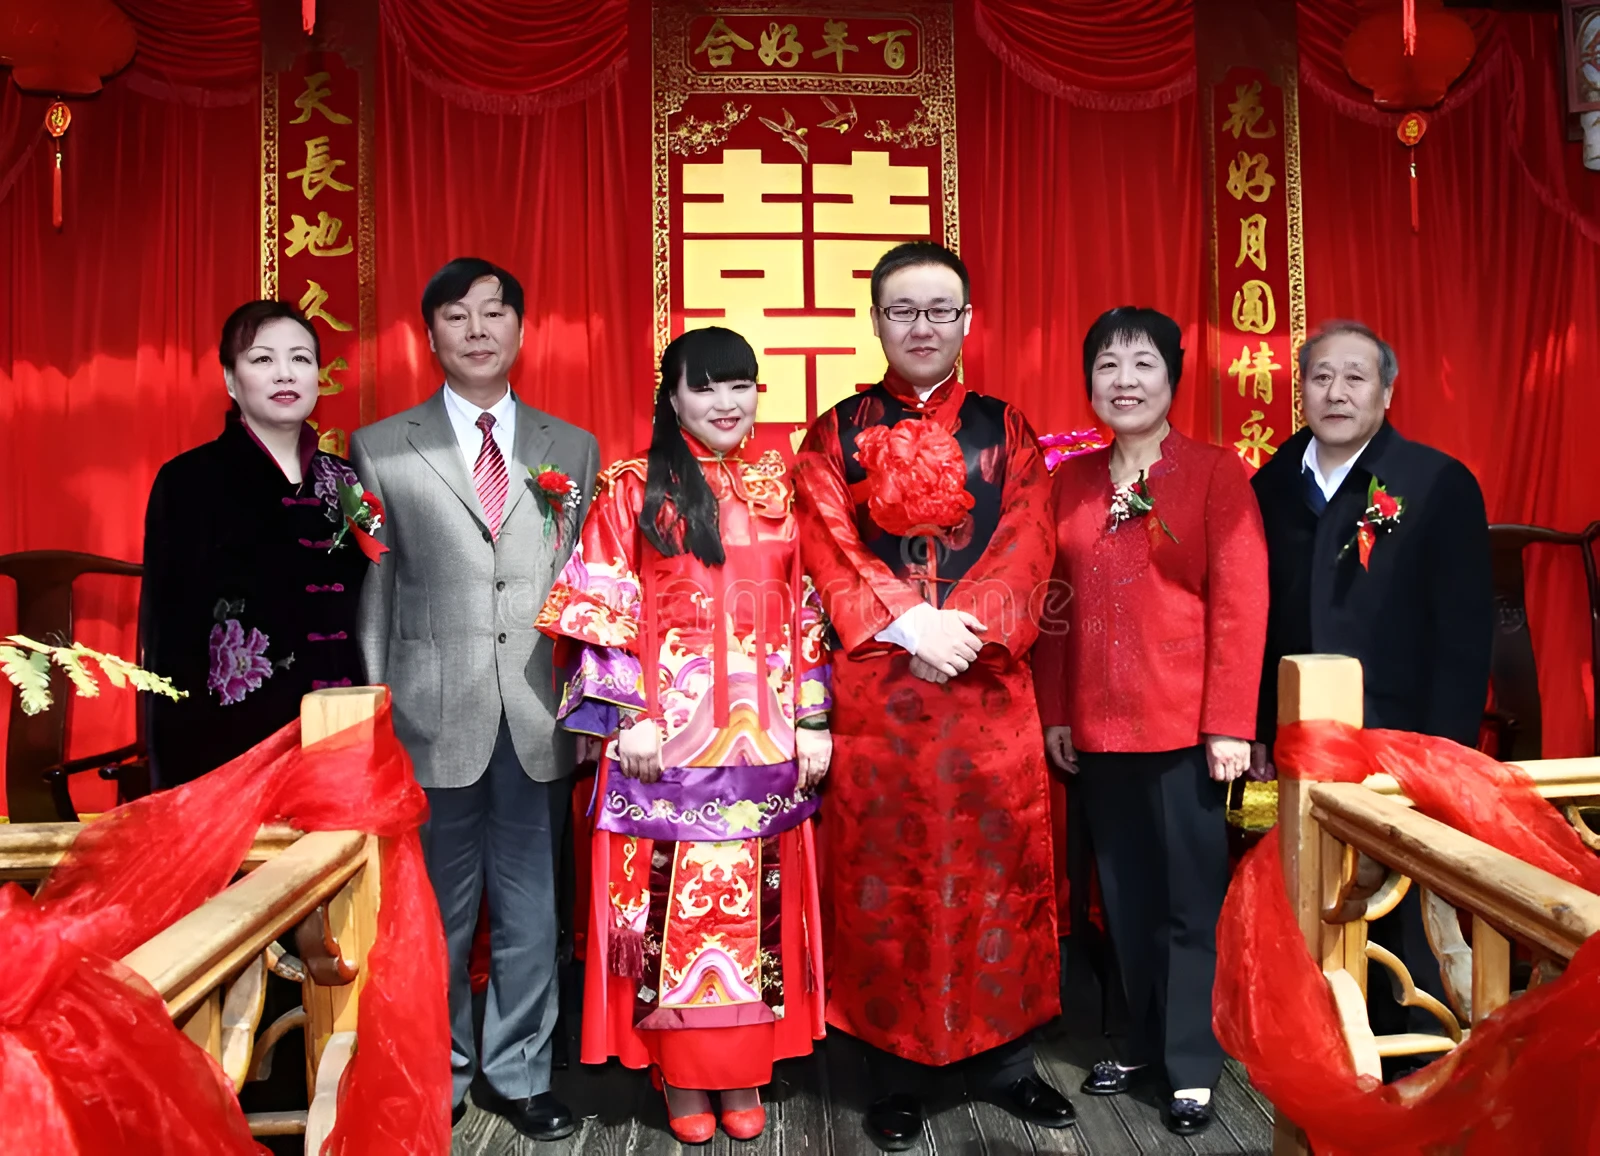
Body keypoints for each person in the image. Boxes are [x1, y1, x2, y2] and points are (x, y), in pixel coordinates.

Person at [793, 241, 1071, 1150]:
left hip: (986, 692)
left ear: (965, 322)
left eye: (939, 310)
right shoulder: (833, 431)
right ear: (875, 320)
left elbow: (1031, 534)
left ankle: (1008, 1065)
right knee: (887, 881)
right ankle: (894, 1071)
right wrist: (911, 624)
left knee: (1001, 875)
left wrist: (967, 629)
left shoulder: (1008, 428)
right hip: (883, 693)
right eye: (903, 310)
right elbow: (823, 536)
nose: (922, 326)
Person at [537, 326, 830, 1144]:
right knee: (674, 912)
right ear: (673, 398)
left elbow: (810, 608)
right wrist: (627, 712)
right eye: (706, 388)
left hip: (769, 747)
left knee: (753, 912)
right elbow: (599, 606)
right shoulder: (632, 488)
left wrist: (813, 716)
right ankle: (681, 1080)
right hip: (664, 748)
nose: (726, 403)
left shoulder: (782, 487)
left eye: (740, 386)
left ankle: (743, 1072)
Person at [351, 257, 600, 1139]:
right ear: (431, 336)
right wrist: (379, 710)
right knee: (439, 915)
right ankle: (440, 1068)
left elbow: (587, 587)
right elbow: (377, 591)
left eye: (495, 313)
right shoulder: (380, 447)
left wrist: (596, 707)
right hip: (430, 710)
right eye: (456, 316)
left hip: (538, 710)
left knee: (533, 909)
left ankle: (519, 1073)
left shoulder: (572, 448)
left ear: (522, 330)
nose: (478, 329)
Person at [1033, 306, 1268, 1137]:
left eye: (1142, 366)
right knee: (1122, 898)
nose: (1124, 382)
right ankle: (1137, 1040)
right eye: (1107, 366)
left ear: (1172, 377)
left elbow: (1241, 607)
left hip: (1185, 729)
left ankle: (1192, 1063)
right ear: (1089, 379)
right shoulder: (1072, 481)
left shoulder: (1213, 473)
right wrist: (1055, 709)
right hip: (1096, 730)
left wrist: (1231, 724)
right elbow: (1052, 604)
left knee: (1186, 900)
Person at [1250, 319, 1492, 1050]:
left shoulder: (1436, 483)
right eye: (1321, 376)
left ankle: (1412, 1047)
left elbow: (1462, 632)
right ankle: (1322, 1037)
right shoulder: (1269, 486)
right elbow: (1254, 622)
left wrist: (1441, 748)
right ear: (1301, 390)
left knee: (1403, 905)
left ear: (1387, 390)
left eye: (1356, 377)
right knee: (1311, 895)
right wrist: (1262, 729)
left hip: (1401, 734)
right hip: (1301, 739)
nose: (1337, 392)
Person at [142, 300, 369, 788]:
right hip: (231, 748)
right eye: (263, 359)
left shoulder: (347, 481)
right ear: (230, 380)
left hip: (345, 739)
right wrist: (179, 780)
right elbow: (169, 641)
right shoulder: (188, 482)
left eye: (301, 359)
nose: (284, 374)